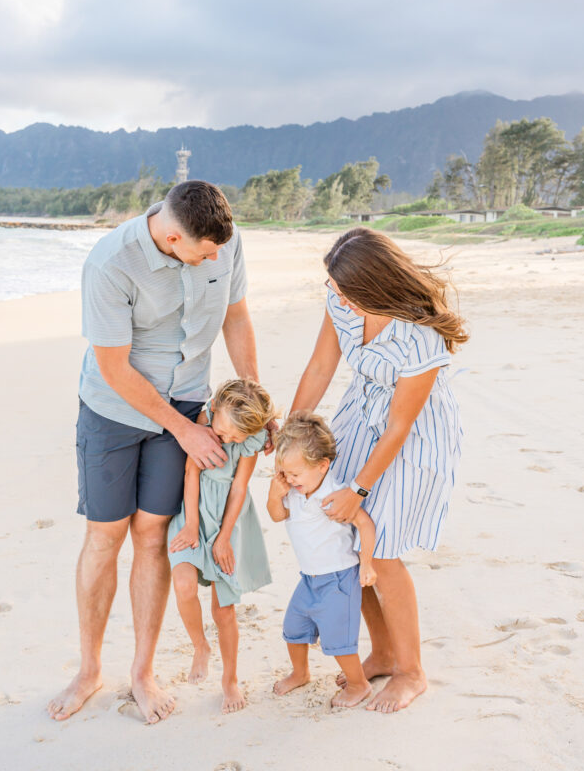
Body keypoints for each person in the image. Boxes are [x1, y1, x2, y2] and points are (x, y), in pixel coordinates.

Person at [48, 181, 276, 725]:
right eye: (204, 252)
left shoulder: (224, 240)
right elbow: (113, 368)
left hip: (191, 400)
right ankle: (88, 671)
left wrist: (255, 405)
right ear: (172, 236)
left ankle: (142, 673)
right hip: (115, 409)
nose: (216, 258)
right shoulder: (111, 264)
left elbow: (236, 317)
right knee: (105, 536)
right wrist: (185, 432)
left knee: (153, 534)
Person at [290, 227, 468, 714]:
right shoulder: (341, 305)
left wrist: (360, 489)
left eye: (344, 289)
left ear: (376, 286)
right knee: (348, 542)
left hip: (413, 436)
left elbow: (400, 426)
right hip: (358, 415)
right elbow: (320, 368)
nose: (336, 296)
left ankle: (412, 672)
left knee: (382, 552)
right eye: (333, 286)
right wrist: (292, 436)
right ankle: (384, 651)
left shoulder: (420, 337)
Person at [168, 378, 275, 713]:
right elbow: (190, 474)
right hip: (194, 513)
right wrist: (191, 526)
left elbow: (240, 488)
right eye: (225, 432)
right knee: (183, 584)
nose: (226, 440)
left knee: (223, 609)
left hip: (228, 518)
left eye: (233, 439)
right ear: (213, 410)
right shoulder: (204, 423)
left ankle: (230, 679)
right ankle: (200, 646)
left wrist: (224, 538)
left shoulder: (250, 441)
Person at [267, 411, 377, 709]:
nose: (290, 479)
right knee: (293, 628)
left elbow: (365, 525)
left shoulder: (332, 494)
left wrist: (367, 564)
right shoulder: (293, 490)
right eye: (285, 474)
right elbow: (277, 516)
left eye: (295, 474)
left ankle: (358, 684)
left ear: (322, 466)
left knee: (339, 641)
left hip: (339, 578)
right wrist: (274, 494)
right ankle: (300, 673)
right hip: (310, 578)